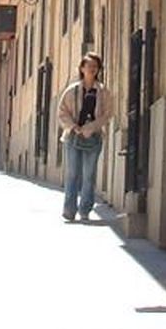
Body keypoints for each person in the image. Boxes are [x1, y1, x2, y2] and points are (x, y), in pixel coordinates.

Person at [56, 51, 112, 223]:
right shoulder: (71, 91)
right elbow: (62, 112)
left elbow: (107, 114)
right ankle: (69, 210)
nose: (92, 69)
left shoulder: (103, 92)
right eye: (88, 66)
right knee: (72, 174)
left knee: (89, 175)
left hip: (93, 137)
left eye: (95, 66)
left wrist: (91, 127)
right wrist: (74, 127)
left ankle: (85, 209)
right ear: (82, 68)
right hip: (73, 137)